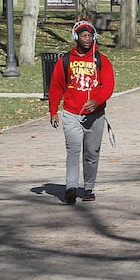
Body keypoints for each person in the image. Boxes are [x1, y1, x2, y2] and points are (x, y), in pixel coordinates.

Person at [49, 20, 115, 204]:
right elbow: (55, 87)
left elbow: (108, 85)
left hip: (96, 116)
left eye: (89, 35)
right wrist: (53, 110)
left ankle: (88, 188)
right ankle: (70, 188)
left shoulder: (102, 60)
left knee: (91, 153)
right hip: (71, 113)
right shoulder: (65, 60)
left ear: (94, 37)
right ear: (75, 37)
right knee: (73, 150)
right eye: (83, 35)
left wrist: (97, 101)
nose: (87, 38)